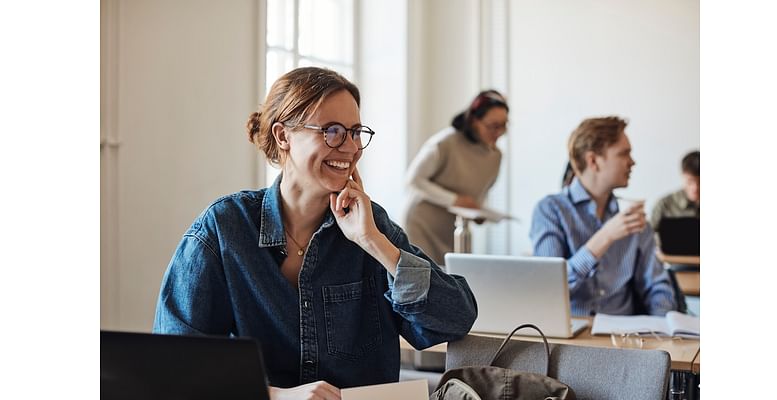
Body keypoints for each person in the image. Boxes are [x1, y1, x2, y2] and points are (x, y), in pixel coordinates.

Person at [152, 67, 478, 399]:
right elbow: (176, 365)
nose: (350, 147)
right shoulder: (225, 228)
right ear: (283, 136)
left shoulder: (371, 224)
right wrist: (277, 396)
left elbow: (454, 319)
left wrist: (374, 243)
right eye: (332, 131)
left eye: (355, 132)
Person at [529, 116, 677, 316]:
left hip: (625, 337)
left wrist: (664, 326)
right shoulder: (550, 210)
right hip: (569, 337)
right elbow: (547, 288)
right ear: (593, 161)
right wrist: (605, 237)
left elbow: (657, 287)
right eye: (624, 154)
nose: (632, 162)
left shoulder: (632, 217)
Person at [403, 90, 509, 265]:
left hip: (455, 230)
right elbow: (413, 180)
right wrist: (454, 200)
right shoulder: (445, 142)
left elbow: (478, 195)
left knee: (452, 283)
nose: (498, 132)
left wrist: (479, 212)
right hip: (421, 226)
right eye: (493, 126)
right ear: (475, 121)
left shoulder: (496, 157)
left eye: (503, 126)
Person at [650, 150, 700, 233]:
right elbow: (649, 238)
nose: (695, 188)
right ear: (683, 176)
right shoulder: (664, 205)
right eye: (690, 181)